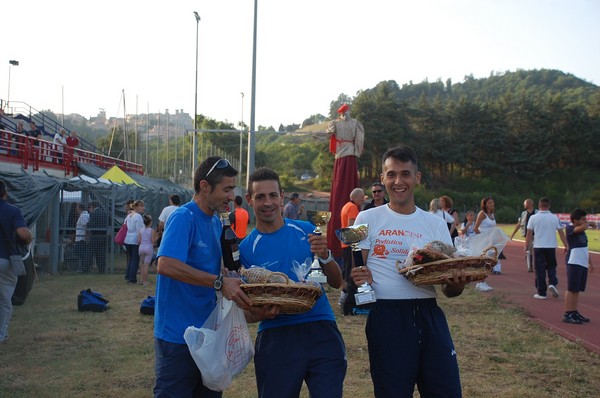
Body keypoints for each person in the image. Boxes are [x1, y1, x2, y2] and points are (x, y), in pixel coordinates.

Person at [350, 145, 467, 397]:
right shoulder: (364, 218)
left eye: (405, 174)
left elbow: (449, 289)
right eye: (391, 174)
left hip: (429, 315)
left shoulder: (436, 224)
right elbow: (357, 271)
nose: (398, 181)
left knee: (446, 391)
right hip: (387, 316)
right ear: (382, 179)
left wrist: (458, 283)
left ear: (417, 178)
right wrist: (358, 279)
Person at [239, 167, 346, 398]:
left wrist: (326, 255)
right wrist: (261, 313)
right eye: (260, 196)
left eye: (273, 195)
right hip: (276, 335)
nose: (268, 202)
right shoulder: (245, 249)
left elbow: (337, 282)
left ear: (282, 196)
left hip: (320, 327)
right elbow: (245, 311)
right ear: (249, 200)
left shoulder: (307, 230)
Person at [153, 156, 251, 397]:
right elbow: (165, 264)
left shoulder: (215, 223)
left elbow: (208, 270)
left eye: (233, 189)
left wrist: (225, 276)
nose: (231, 196)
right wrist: (218, 282)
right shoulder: (183, 217)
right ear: (205, 186)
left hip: (208, 334)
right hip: (177, 337)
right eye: (226, 189)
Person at [326, 103, 365, 260]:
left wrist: (356, 150)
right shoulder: (337, 123)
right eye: (345, 112)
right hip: (344, 156)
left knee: (342, 184)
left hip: (347, 155)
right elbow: (329, 134)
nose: (347, 114)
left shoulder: (353, 124)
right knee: (341, 184)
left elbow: (359, 140)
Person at [0, 179, 33, 343]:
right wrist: (27, 240)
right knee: (5, 299)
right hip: (5, 259)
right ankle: (1, 333)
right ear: (5, 193)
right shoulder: (13, 211)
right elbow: (24, 234)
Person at [525, 197, 568, 300]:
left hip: (538, 246)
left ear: (539, 206)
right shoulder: (554, 218)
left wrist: (526, 246)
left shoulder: (533, 218)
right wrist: (566, 245)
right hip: (551, 246)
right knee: (551, 266)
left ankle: (542, 292)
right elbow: (561, 233)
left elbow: (529, 234)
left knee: (540, 270)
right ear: (549, 206)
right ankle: (552, 282)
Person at [563, 209, 596, 324]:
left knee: (577, 289)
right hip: (574, 261)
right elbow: (580, 228)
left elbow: (584, 248)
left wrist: (590, 263)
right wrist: (589, 224)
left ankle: (574, 311)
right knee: (571, 288)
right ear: (575, 221)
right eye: (583, 219)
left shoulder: (583, 232)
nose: (585, 221)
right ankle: (568, 313)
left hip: (582, 262)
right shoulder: (570, 228)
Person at [340, 187, 365, 314]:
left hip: (345, 243)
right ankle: (347, 305)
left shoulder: (346, 206)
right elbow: (352, 224)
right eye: (362, 197)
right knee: (352, 272)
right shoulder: (353, 207)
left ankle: (343, 299)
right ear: (355, 197)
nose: (363, 199)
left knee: (347, 272)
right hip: (351, 243)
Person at [474, 196, 502, 279]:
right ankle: (481, 277)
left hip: (491, 239)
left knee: (495, 253)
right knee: (484, 256)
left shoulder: (492, 214)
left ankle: (495, 269)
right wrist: (482, 238)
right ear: (485, 204)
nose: (491, 204)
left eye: (492, 202)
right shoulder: (482, 214)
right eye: (489, 203)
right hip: (484, 239)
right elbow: (475, 228)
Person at [510, 198, 537, 272]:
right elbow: (519, 224)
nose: (524, 205)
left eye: (525, 203)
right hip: (527, 235)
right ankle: (530, 266)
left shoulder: (537, 213)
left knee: (536, 250)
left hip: (537, 235)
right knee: (529, 250)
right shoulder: (523, 213)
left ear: (530, 204)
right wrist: (513, 234)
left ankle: (536, 264)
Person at [124, 200, 145, 284]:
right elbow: (139, 230)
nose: (143, 208)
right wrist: (140, 240)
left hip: (127, 239)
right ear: (135, 207)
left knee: (131, 259)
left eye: (143, 206)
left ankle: (128, 275)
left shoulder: (129, 216)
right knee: (135, 260)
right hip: (135, 240)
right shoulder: (138, 216)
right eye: (141, 206)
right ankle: (132, 278)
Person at [87, 201, 108, 273]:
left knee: (90, 253)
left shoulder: (93, 214)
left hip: (95, 236)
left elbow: (91, 225)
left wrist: (88, 224)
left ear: (92, 207)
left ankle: (86, 268)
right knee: (101, 254)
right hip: (103, 236)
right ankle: (102, 269)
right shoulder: (104, 213)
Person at [138, 214, 156, 286]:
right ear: (150, 222)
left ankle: (141, 280)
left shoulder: (141, 230)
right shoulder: (152, 231)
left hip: (141, 247)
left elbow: (138, 240)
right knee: (146, 265)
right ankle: (145, 281)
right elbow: (153, 241)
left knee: (142, 264)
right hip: (148, 248)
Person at [74, 203, 91, 273]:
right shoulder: (83, 215)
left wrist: (86, 237)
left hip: (81, 238)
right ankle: (83, 267)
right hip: (80, 237)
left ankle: (85, 268)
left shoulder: (84, 215)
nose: (76, 209)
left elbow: (86, 226)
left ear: (80, 208)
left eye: (77, 208)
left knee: (80, 252)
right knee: (81, 252)